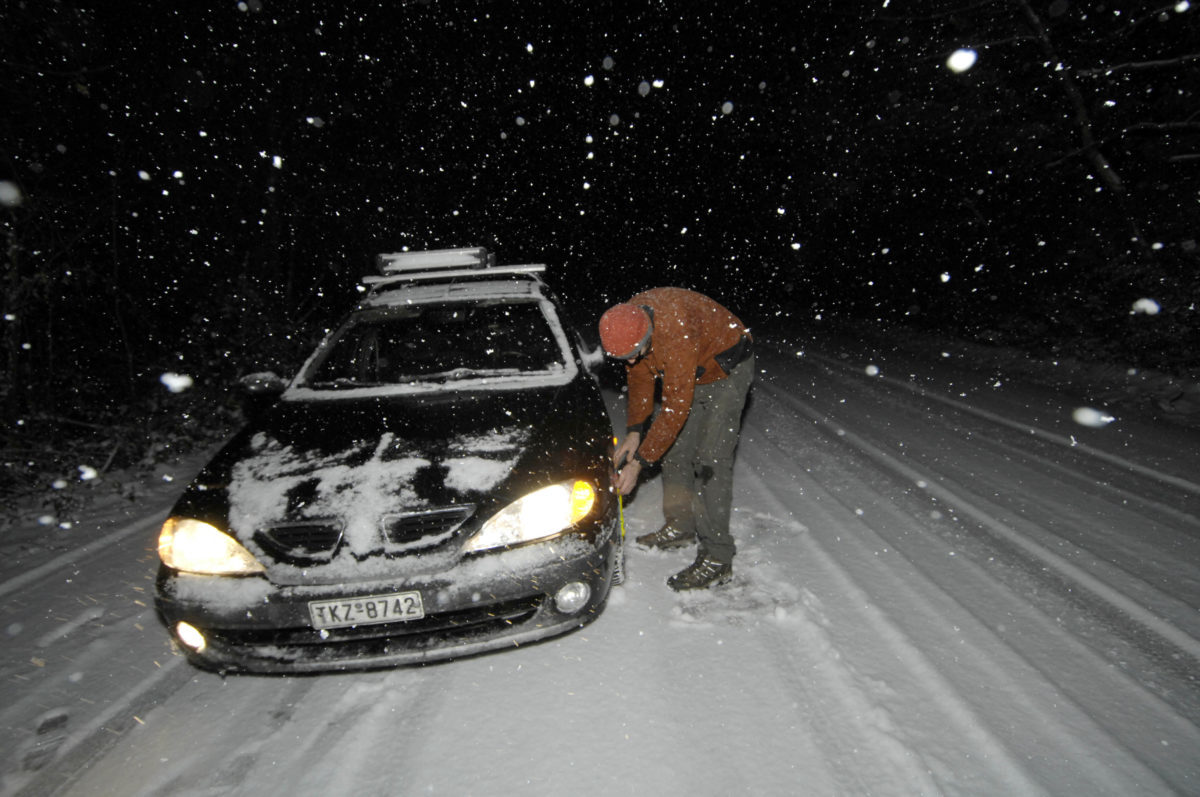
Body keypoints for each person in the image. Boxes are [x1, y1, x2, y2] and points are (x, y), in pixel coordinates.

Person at [599, 287, 754, 591]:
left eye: (633, 355)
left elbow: (675, 409)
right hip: (693, 367)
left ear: (647, 337)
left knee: (711, 460)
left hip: (726, 368)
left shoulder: (676, 334)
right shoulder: (629, 320)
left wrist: (639, 463)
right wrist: (635, 430)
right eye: (623, 358)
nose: (628, 363)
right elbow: (640, 374)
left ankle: (718, 557)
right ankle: (681, 526)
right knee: (675, 451)